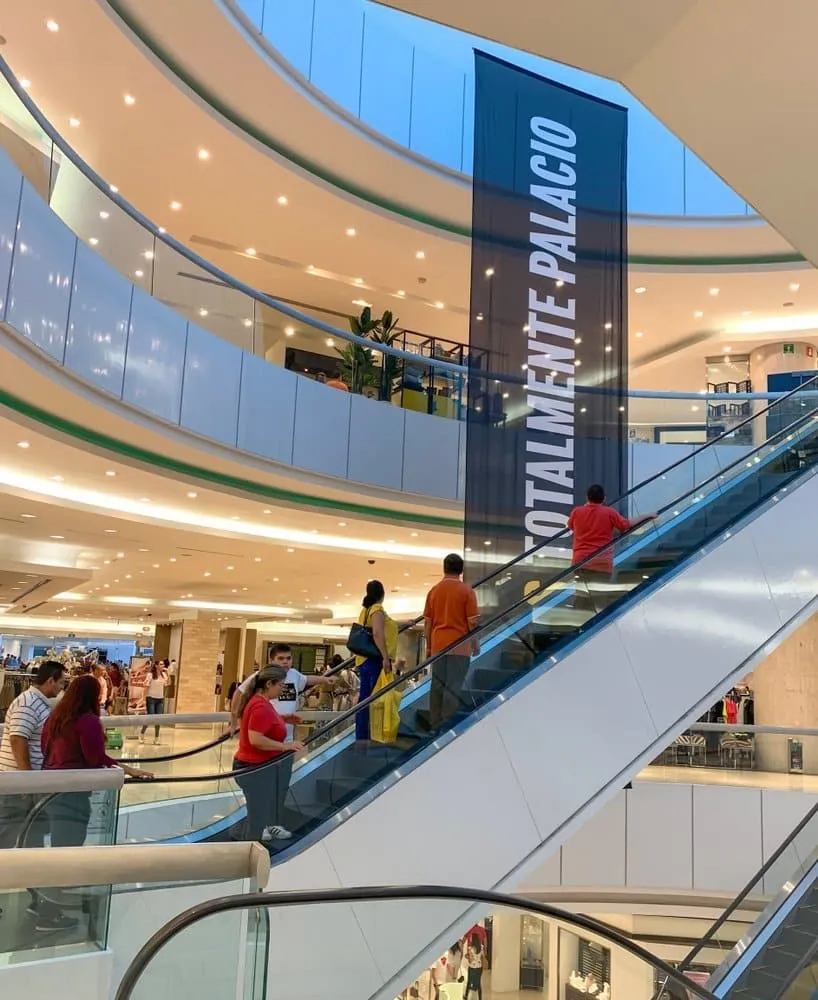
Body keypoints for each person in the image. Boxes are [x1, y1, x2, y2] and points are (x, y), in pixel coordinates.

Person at [42, 675, 152, 847]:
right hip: (74, 791)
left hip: (49, 789)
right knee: (70, 844)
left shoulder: (54, 718)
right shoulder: (88, 721)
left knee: (59, 842)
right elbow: (95, 758)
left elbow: (44, 748)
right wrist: (128, 770)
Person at [0, 660, 70, 931]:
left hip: (25, 788)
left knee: (32, 844)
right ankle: (42, 907)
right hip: (18, 790)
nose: (62, 688)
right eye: (61, 682)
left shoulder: (37, 703)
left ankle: (41, 904)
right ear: (50, 680)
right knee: (8, 843)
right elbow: (17, 739)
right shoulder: (29, 703)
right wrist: (27, 780)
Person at [230, 644, 332, 821]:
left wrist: (325, 680)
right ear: (271, 660)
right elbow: (239, 694)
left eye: (288, 658)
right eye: (281, 659)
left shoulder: (293, 676)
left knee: (280, 787)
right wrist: (233, 721)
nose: (285, 662)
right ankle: (261, 823)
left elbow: (307, 679)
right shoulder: (262, 681)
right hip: (268, 745)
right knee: (265, 791)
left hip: (285, 743)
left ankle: (272, 821)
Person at [233, 665, 306, 842]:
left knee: (257, 814)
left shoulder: (260, 702)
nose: (282, 688)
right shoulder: (260, 706)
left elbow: (261, 723)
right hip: (254, 769)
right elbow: (256, 739)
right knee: (257, 819)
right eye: (280, 685)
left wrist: (282, 719)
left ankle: (251, 846)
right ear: (269, 684)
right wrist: (285, 747)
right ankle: (251, 848)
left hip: (253, 768)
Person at [567, 484, 657, 609]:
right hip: (602, 563)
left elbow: (571, 526)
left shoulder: (577, 511)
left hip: (580, 562)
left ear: (587, 497)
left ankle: (579, 617)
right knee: (599, 600)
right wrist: (648, 515)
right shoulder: (609, 512)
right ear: (604, 498)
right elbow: (626, 525)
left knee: (582, 596)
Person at [424, 554, 479, 731]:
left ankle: (434, 725)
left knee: (437, 685)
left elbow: (428, 623)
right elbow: (472, 622)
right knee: (453, 687)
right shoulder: (467, 591)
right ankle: (447, 728)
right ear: (461, 570)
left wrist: (428, 647)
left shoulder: (433, 591)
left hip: (438, 646)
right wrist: (475, 643)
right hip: (459, 647)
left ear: (444, 568)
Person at [354, 580, 398, 741]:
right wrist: (385, 657)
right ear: (382, 594)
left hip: (363, 659)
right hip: (374, 659)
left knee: (365, 699)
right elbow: (377, 633)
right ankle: (374, 734)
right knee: (376, 700)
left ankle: (362, 735)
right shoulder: (377, 609)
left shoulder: (365, 610)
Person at [140, 660, 168, 745]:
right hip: (151, 698)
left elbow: (168, 683)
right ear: (156, 666)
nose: (163, 665)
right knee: (150, 717)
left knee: (158, 719)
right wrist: (143, 699)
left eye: (163, 664)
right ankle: (142, 734)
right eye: (161, 664)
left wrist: (168, 673)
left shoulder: (164, 675)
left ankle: (156, 738)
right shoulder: (150, 675)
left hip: (160, 699)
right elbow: (146, 687)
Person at [464, 933, 485, 1000]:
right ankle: (480, 998)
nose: (470, 939)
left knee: (469, 982)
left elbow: (470, 961)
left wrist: (467, 957)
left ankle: (466, 996)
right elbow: (482, 957)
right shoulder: (481, 947)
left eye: (471, 938)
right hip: (479, 968)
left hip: (472, 968)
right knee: (478, 983)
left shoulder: (470, 948)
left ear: (473, 940)